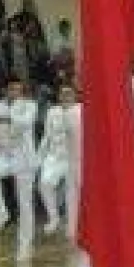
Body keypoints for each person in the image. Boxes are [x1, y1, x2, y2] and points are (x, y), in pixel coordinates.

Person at [0, 78, 40, 260]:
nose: (15, 93)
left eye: (19, 90)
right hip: (6, 155)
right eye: (12, 89)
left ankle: (25, 246)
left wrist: (9, 116)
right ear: (5, 90)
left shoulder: (30, 105)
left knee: (24, 203)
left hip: (25, 159)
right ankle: (1, 213)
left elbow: (25, 123)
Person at [36, 83, 79, 239]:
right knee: (45, 183)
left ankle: (73, 225)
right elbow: (46, 136)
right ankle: (54, 218)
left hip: (72, 158)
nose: (66, 96)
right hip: (54, 156)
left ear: (75, 96)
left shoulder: (80, 110)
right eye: (63, 94)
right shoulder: (52, 112)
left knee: (71, 193)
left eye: (69, 93)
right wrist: (39, 158)